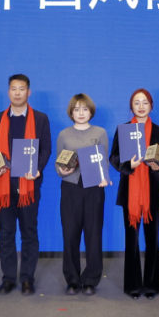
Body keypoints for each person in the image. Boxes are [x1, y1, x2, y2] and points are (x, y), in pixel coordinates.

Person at [0, 74, 51, 296]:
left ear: (28, 92)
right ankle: (9, 279)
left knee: (29, 232)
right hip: (3, 185)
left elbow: (46, 148)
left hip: (29, 185)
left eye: (22, 89)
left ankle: (27, 279)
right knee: (6, 232)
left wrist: (38, 168)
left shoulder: (40, 119)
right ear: (8, 92)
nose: (17, 93)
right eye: (13, 89)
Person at [109, 89, 159, 300]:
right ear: (131, 106)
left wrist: (158, 166)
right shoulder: (123, 130)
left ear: (151, 106)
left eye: (145, 102)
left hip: (153, 193)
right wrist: (128, 165)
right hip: (130, 192)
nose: (141, 106)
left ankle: (151, 285)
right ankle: (133, 286)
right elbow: (113, 157)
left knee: (153, 240)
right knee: (131, 240)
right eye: (137, 102)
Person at [55, 94, 111, 296]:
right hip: (70, 188)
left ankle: (90, 280)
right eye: (76, 109)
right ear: (71, 112)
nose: (81, 113)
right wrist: (63, 171)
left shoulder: (100, 132)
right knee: (70, 234)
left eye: (85, 109)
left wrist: (104, 177)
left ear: (91, 111)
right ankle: (72, 280)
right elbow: (58, 164)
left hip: (94, 188)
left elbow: (104, 160)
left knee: (93, 234)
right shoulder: (63, 134)